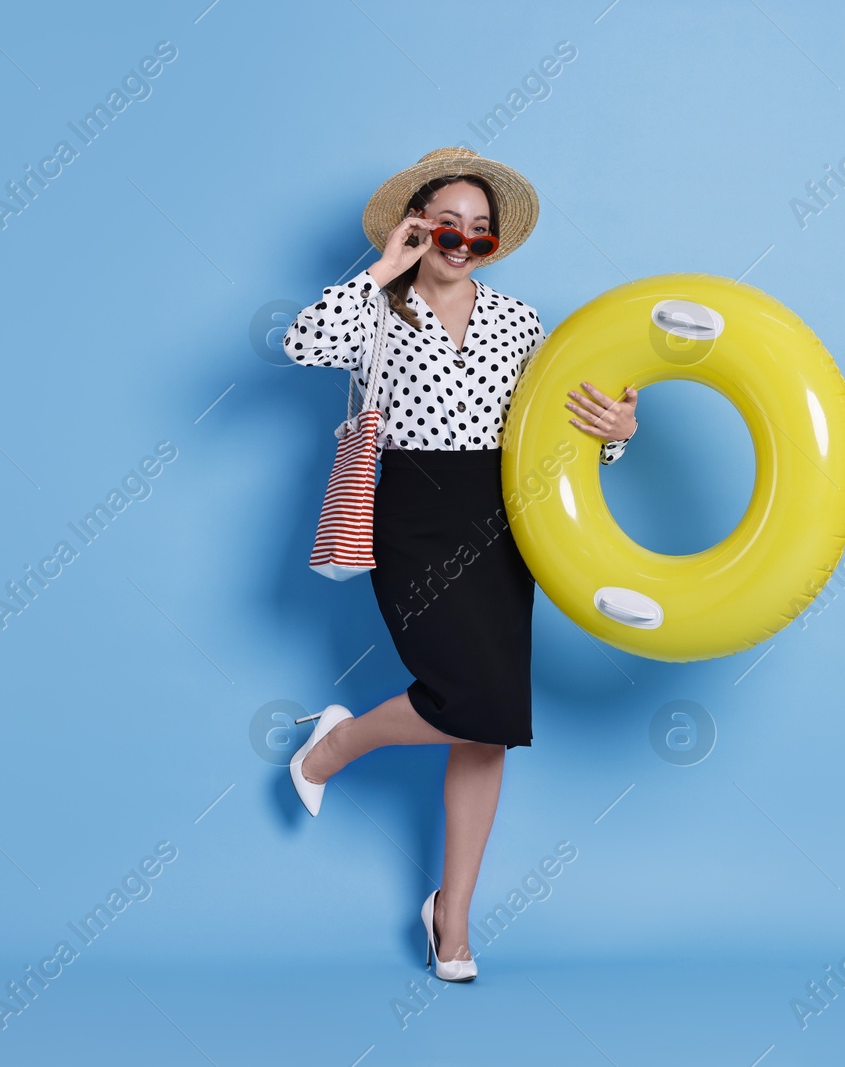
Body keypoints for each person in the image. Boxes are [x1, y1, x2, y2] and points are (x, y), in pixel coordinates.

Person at [281, 147, 638, 982]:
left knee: (491, 725)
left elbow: (559, 432)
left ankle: (454, 916)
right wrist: (383, 268)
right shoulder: (375, 308)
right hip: (411, 514)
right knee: (470, 698)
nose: (463, 239)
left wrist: (618, 437)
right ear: (418, 223)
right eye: (448, 223)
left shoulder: (519, 321)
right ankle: (333, 747)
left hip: (500, 518)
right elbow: (301, 343)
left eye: (480, 229)